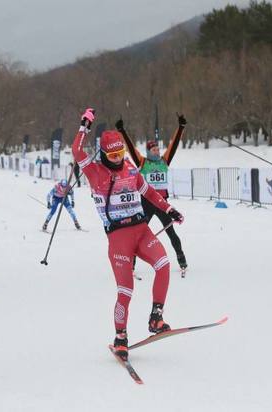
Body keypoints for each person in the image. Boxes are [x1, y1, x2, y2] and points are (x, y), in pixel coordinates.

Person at [72, 108, 184, 360]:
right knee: (126, 290)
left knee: (164, 264)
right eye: (111, 154)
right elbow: (77, 151)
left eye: (120, 153)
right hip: (118, 237)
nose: (117, 158)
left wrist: (170, 209)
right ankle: (120, 336)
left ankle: (156, 317)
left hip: (141, 230)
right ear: (103, 153)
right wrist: (85, 126)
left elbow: (150, 193)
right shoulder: (95, 171)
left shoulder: (132, 169)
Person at [116, 114, 188, 272]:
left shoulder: (164, 161)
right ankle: (131, 266)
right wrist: (122, 130)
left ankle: (182, 261)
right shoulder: (142, 162)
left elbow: (173, 145)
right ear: (148, 151)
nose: (157, 151)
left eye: (157, 149)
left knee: (171, 233)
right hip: (147, 203)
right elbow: (130, 146)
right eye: (154, 149)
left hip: (162, 203)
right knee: (139, 235)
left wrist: (181, 127)